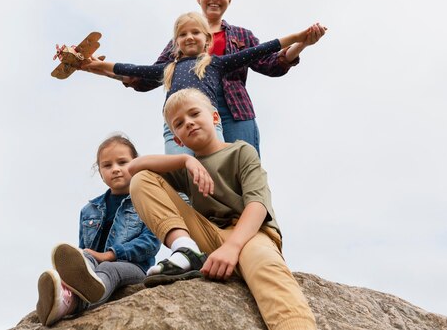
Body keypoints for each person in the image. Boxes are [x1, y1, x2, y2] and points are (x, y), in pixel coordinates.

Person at [127, 88, 317, 330]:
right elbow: (135, 167)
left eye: (194, 113)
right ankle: (186, 250)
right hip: (207, 238)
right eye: (179, 123)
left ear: (215, 117)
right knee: (142, 180)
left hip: (248, 234)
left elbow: (257, 204)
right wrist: (186, 160)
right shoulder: (186, 168)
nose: (189, 123)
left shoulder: (240, 151)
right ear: (177, 139)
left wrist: (232, 247)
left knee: (267, 268)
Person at [122, 0, 325, 156]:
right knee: (191, 175)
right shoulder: (181, 39)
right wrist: (109, 70)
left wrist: (302, 43)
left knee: (241, 167)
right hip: (189, 109)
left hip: (233, 109)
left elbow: (272, 64)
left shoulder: (241, 35)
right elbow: (153, 75)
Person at [83, 12, 324, 155]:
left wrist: (298, 38)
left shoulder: (216, 63)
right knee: (180, 171)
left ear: (206, 39)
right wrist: (99, 68)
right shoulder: (169, 68)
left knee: (216, 169)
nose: (189, 37)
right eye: (183, 34)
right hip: (175, 127)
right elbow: (133, 70)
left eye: (195, 33)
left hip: (209, 121)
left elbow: (261, 51)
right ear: (175, 42)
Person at [35, 134, 160, 326]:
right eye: (107, 165)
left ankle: (75, 303)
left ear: (136, 165)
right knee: (82, 257)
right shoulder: (89, 210)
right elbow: (81, 257)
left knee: (107, 268)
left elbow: (150, 244)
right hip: (94, 267)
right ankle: (59, 295)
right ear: (100, 172)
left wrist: (110, 255)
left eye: (122, 162)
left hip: (134, 268)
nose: (116, 169)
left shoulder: (146, 200)